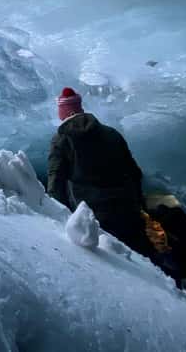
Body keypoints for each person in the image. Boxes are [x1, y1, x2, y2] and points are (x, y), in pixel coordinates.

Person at [47, 87, 154, 257]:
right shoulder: (111, 133)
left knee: (113, 262)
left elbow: (56, 180)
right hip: (127, 208)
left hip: (94, 215)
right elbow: (134, 172)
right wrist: (140, 204)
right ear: (80, 108)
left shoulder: (62, 140)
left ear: (63, 112)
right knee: (142, 262)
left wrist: (56, 214)